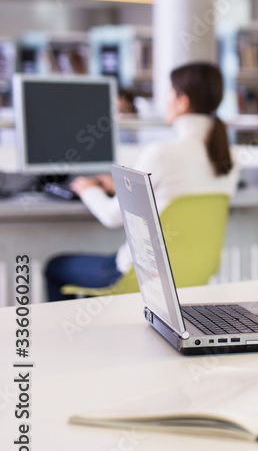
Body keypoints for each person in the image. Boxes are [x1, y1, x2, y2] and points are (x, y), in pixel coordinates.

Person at [45, 62, 239, 301]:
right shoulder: (229, 157)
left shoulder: (160, 153)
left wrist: (88, 190)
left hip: (137, 275)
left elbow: (111, 216)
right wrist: (122, 187)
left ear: (183, 101)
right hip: (191, 274)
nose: (165, 101)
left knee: (54, 267)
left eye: (169, 93)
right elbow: (175, 193)